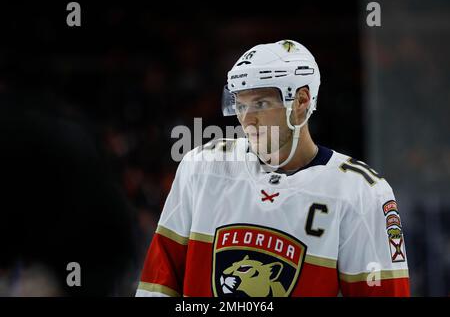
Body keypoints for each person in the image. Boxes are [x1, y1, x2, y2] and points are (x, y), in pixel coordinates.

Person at [136, 40, 410, 297]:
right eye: (241, 105)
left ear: (302, 102)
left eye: (261, 104)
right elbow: (157, 284)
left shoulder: (362, 192)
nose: (247, 119)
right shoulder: (202, 168)